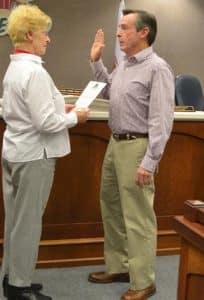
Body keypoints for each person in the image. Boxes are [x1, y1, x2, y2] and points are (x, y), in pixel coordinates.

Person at [1, 4, 89, 300]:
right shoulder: (34, 73)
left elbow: (26, 111)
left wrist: (56, 108)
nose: (48, 39)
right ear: (29, 34)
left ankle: (12, 277)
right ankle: (20, 287)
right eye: (44, 33)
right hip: (34, 156)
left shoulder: (15, 67)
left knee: (14, 221)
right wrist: (76, 117)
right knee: (27, 224)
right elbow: (46, 123)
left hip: (15, 151)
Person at [87, 9, 174, 300]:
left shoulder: (157, 68)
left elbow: (162, 119)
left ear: (143, 32)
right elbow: (108, 92)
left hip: (138, 146)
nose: (118, 33)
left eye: (124, 28)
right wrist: (96, 61)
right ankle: (119, 266)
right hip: (115, 145)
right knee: (110, 207)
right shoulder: (124, 64)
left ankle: (144, 281)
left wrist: (150, 162)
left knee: (138, 217)